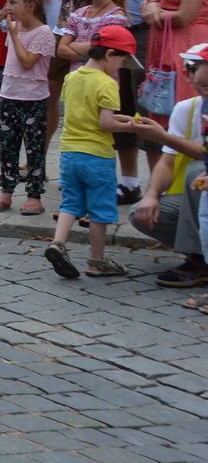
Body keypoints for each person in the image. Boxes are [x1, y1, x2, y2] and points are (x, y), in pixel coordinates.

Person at [43, 25, 141, 279]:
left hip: (69, 153)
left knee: (71, 203)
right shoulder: (108, 83)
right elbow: (105, 123)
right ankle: (96, 261)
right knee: (100, 210)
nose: (121, 66)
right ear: (109, 54)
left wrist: (120, 118)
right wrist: (130, 125)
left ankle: (57, 243)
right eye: (122, 60)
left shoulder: (72, 77)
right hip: (97, 156)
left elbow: (82, 112)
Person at [130, 43, 208, 290]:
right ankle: (199, 259)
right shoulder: (187, 108)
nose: (202, 75)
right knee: (141, 214)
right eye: (196, 69)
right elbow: (168, 160)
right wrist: (150, 196)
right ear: (187, 74)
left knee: (196, 172)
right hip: (198, 193)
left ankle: (198, 260)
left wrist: (163, 137)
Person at [0, 0, 55, 215]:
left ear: (31, 6)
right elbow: (0, 22)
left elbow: (27, 63)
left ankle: (34, 196)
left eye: (13, 2)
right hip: (10, 95)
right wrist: (7, 23)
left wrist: (15, 36)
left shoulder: (44, 33)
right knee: (8, 147)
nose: (8, 7)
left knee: (34, 149)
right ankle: (6, 193)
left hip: (33, 99)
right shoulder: (15, 26)